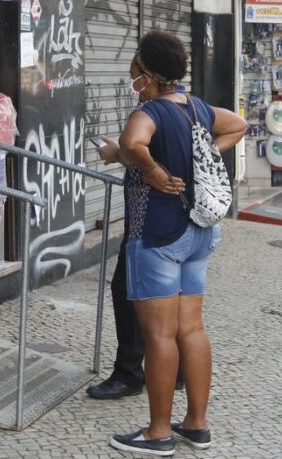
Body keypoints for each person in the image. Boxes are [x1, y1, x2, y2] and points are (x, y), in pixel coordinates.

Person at [106, 31, 245, 456]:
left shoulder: (148, 110)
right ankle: (196, 425)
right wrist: (195, 156)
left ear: (146, 74)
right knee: (192, 329)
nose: (133, 78)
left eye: (134, 71)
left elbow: (134, 141)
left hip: (158, 236)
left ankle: (158, 433)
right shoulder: (198, 107)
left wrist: (150, 170)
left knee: (160, 336)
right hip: (198, 234)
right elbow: (237, 125)